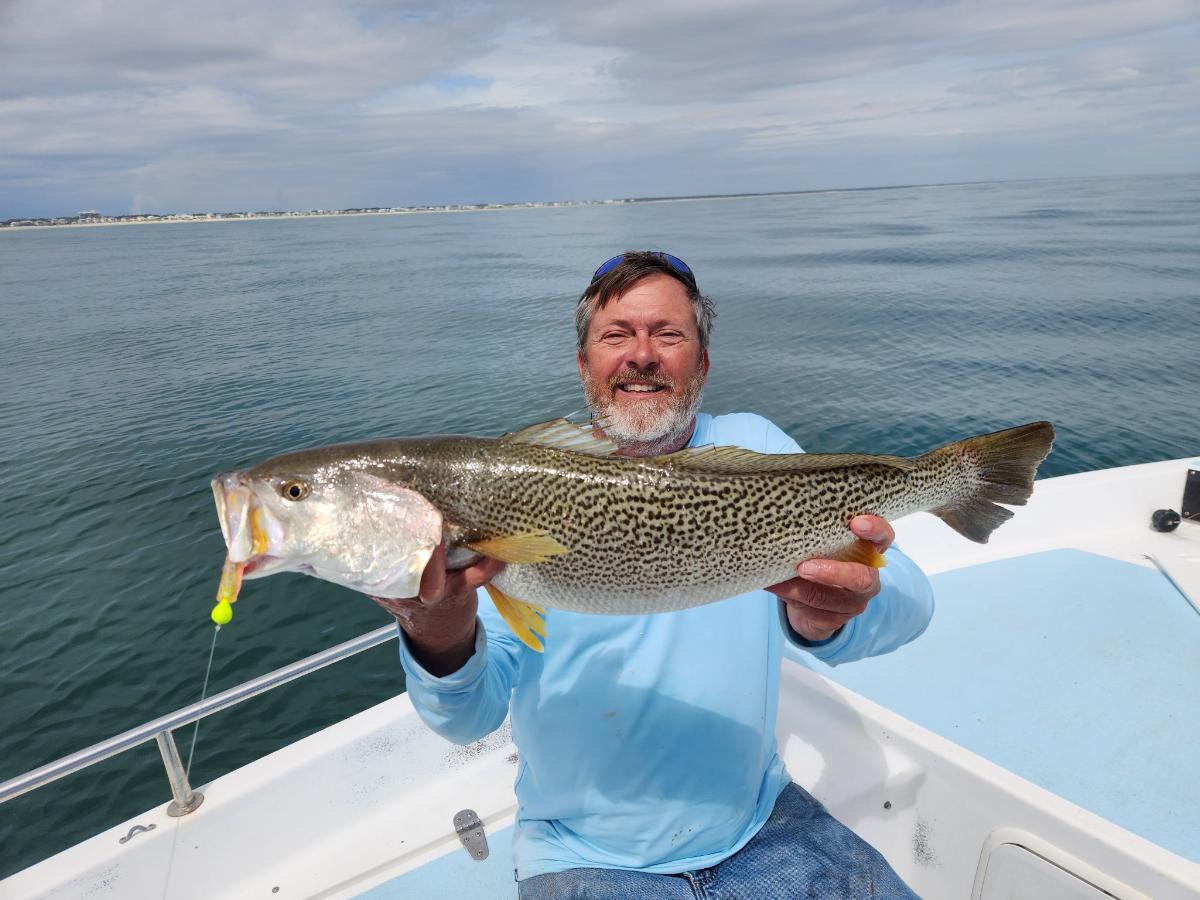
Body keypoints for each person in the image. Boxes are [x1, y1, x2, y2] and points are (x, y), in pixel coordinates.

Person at [372, 251, 934, 899]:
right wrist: (437, 633)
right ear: (584, 365)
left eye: (668, 334)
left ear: (702, 363)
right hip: (581, 855)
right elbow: (468, 718)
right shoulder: (513, 484)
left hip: (764, 824)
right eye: (616, 335)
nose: (642, 354)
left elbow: (912, 605)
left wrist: (826, 618)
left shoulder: (756, 448)